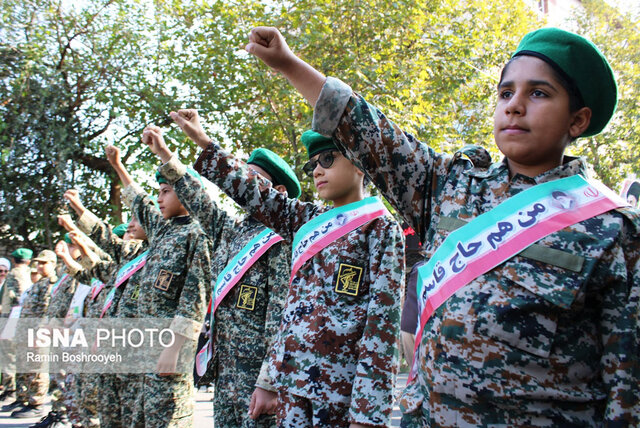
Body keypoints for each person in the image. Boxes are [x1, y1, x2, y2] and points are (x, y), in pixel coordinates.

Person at [244, 25, 640, 426]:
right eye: (506, 93)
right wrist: (289, 65)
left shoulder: (610, 228)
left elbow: (627, 389)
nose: (515, 105)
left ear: (578, 120)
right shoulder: (449, 185)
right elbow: (366, 129)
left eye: (538, 93)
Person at [170, 106, 405, 427]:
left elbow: (383, 326)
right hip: (293, 388)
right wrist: (201, 139)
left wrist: (367, 414)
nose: (317, 171)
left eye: (328, 159)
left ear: (361, 163)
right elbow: (291, 313)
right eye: (312, 164)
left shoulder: (379, 228)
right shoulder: (307, 220)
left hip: (342, 396)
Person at [144, 125, 299, 428]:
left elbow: (282, 317)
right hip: (226, 373)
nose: (244, 185)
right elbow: (198, 200)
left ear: (278, 192)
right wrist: (165, 153)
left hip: (257, 382)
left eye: (254, 180)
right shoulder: (231, 231)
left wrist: (269, 380)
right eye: (242, 176)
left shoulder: (280, 240)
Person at [106, 143, 212, 427]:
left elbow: (195, 296)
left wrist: (174, 348)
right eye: (159, 192)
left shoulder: (197, 235)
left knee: (166, 418)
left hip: (169, 350)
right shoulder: (162, 230)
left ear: (186, 193)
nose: (159, 198)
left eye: (166, 191)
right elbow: (137, 200)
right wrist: (118, 165)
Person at [64, 188, 149, 428]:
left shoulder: (162, 254)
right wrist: (79, 212)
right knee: (110, 413)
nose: (130, 227)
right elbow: (92, 266)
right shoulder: (130, 257)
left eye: (136, 219)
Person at [11, 250, 58, 419]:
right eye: (38, 263)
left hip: (39, 332)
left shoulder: (51, 283)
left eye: (44, 263)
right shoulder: (40, 282)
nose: (40, 266)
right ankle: (27, 399)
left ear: (53, 264)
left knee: (38, 369)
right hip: (28, 330)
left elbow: (48, 310)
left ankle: (37, 403)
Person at [0, 248, 32, 405]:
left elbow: (14, 297)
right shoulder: (30, 273)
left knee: (8, 353)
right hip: (21, 317)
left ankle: (10, 389)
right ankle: (16, 390)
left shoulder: (13, 274)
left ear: (13, 260)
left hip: (10, 317)